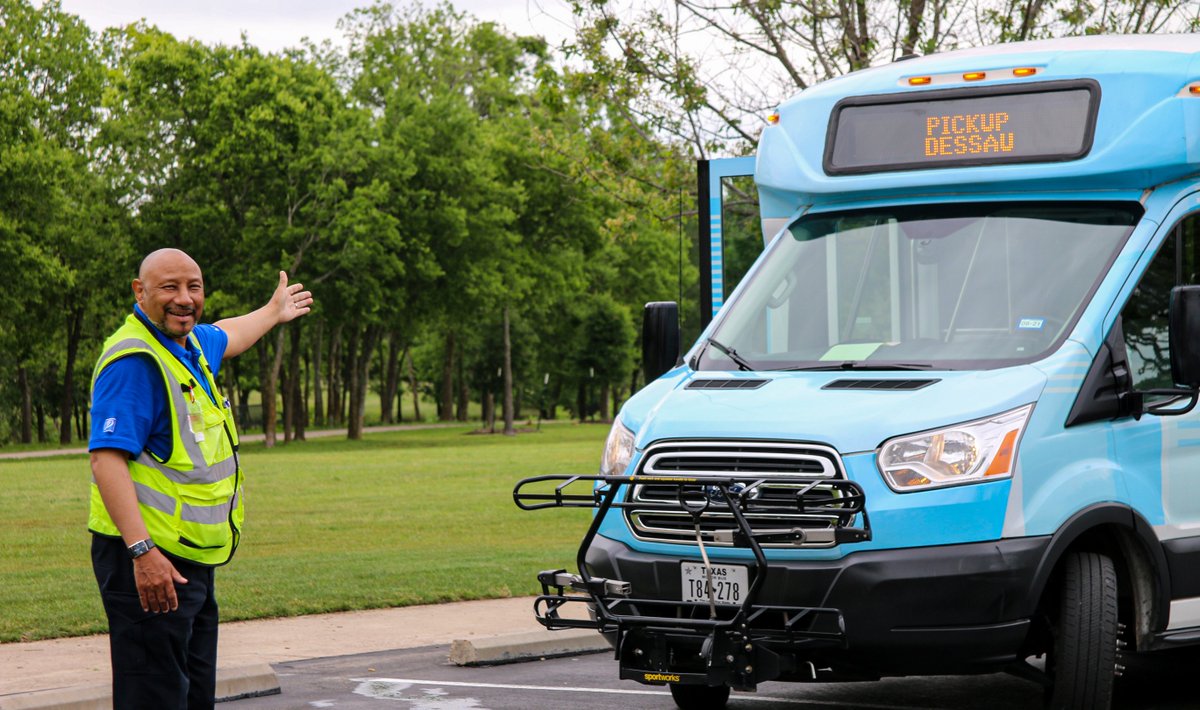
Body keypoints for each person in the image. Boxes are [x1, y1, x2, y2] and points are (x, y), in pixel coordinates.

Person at [87, 248, 312, 709]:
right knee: (156, 696)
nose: (185, 299)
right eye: (170, 287)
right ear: (140, 291)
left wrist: (272, 311)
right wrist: (142, 552)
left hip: (189, 563)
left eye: (194, 287)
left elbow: (228, 334)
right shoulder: (136, 360)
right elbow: (106, 460)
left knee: (190, 694)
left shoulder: (187, 348)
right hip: (149, 563)